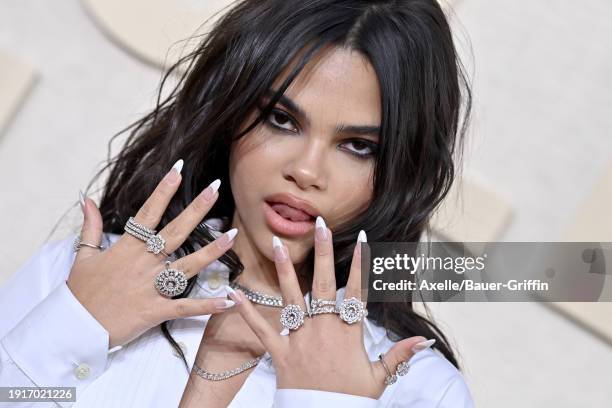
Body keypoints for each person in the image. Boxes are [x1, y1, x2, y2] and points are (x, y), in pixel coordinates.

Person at [0, 0, 475, 406]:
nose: (306, 171)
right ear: (230, 111)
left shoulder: (419, 388)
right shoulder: (82, 276)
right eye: (281, 118)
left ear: (401, 171)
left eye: (358, 146)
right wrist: (73, 330)